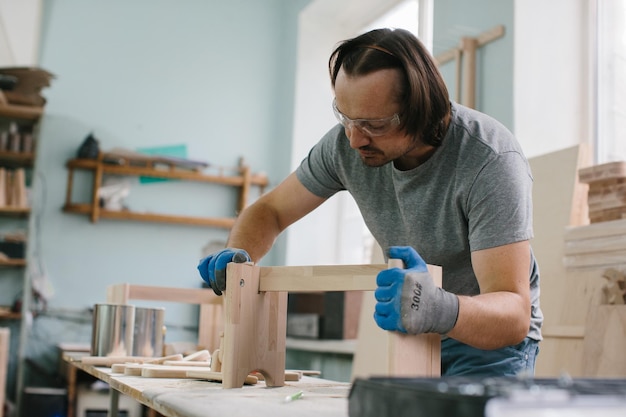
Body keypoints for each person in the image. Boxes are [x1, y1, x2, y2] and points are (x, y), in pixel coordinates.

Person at [197, 28, 542, 377]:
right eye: (345, 117)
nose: (354, 138)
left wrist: (439, 307)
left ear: (420, 110)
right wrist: (240, 255)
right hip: (417, 333)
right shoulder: (345, 146)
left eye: (373, 124)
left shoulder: (489, 159)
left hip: (490, 349)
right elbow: (269, 211)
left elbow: (513, 314)